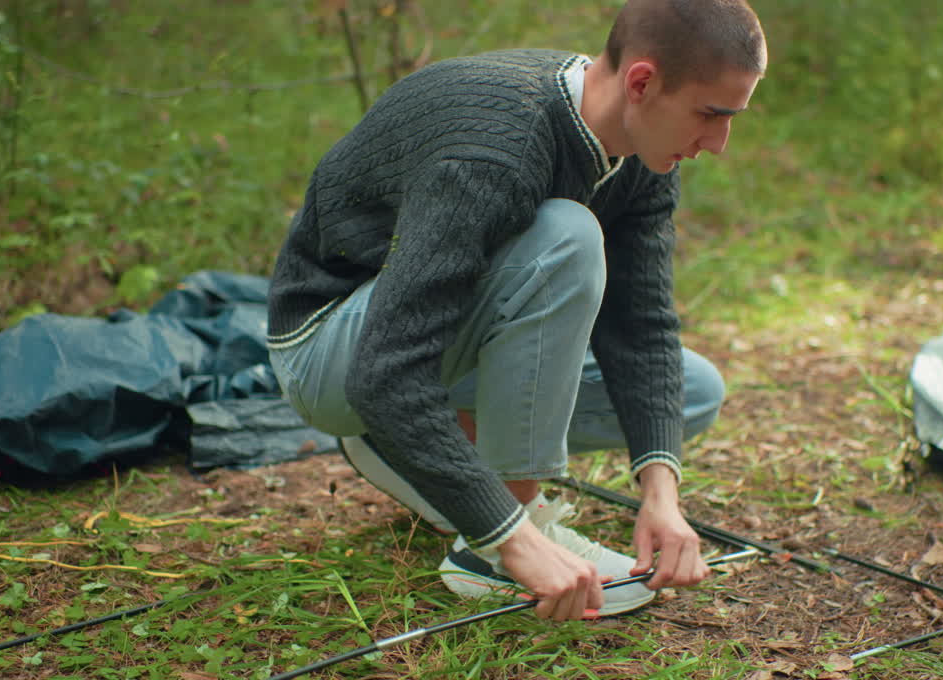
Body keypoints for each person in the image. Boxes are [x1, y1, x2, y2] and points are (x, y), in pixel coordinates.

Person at [266, 0, 767, 622]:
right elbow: (385, 369)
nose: (719, 144)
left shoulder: (641, 152)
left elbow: (641, 326)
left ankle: (408, 444)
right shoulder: (497, 151)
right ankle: (493, 551)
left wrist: (660, 496)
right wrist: (511, 536)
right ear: (642, 83)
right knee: (566, 236)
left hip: (421, 343)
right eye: (711, 114)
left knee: (693, 392)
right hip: (331, 349)